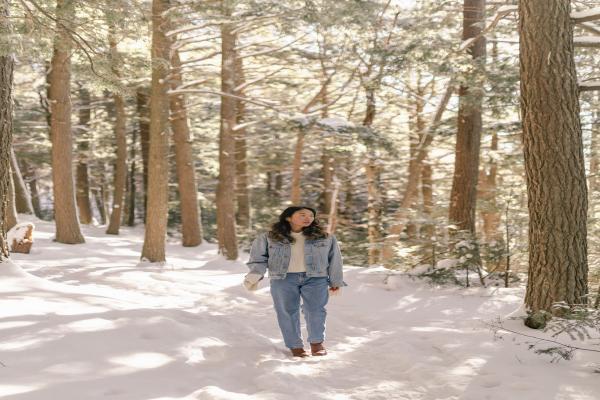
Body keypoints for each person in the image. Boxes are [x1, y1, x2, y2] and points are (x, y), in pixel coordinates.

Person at [243, 206, 347, 358]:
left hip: (316, 278)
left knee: (315, 310)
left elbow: (335, 260)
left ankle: (316, 343)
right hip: (283, 279)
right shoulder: (269, 237)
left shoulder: (325, 237)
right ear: (288, 217)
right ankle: (295, 345)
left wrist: (335, 280)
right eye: (302, 215)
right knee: (287, 311)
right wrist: (255, 274)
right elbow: (258, 259)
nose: (308, 218)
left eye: (311, 215)